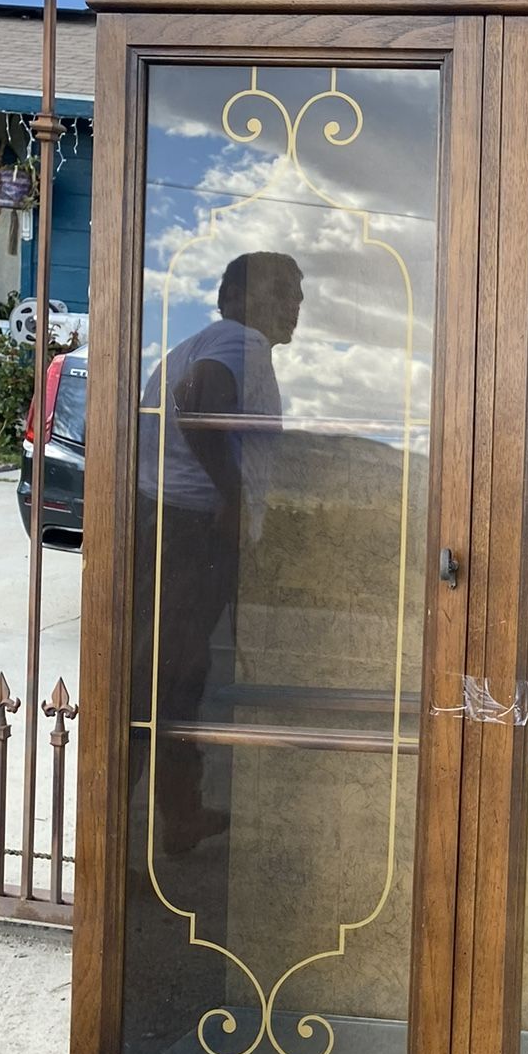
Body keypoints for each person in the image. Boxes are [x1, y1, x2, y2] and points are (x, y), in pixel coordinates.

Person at [132, 251, 304, 855]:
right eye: (284, 291)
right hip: (192, 528)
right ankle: (125, 841)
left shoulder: (204, 339)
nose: (296, 305)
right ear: (238, 296)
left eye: (297, 293)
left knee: (174, 675)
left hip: (168, 519)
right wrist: (231, 500)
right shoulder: (240, 342)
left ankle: (180, 813)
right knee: (165, 680)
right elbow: (199, 399)